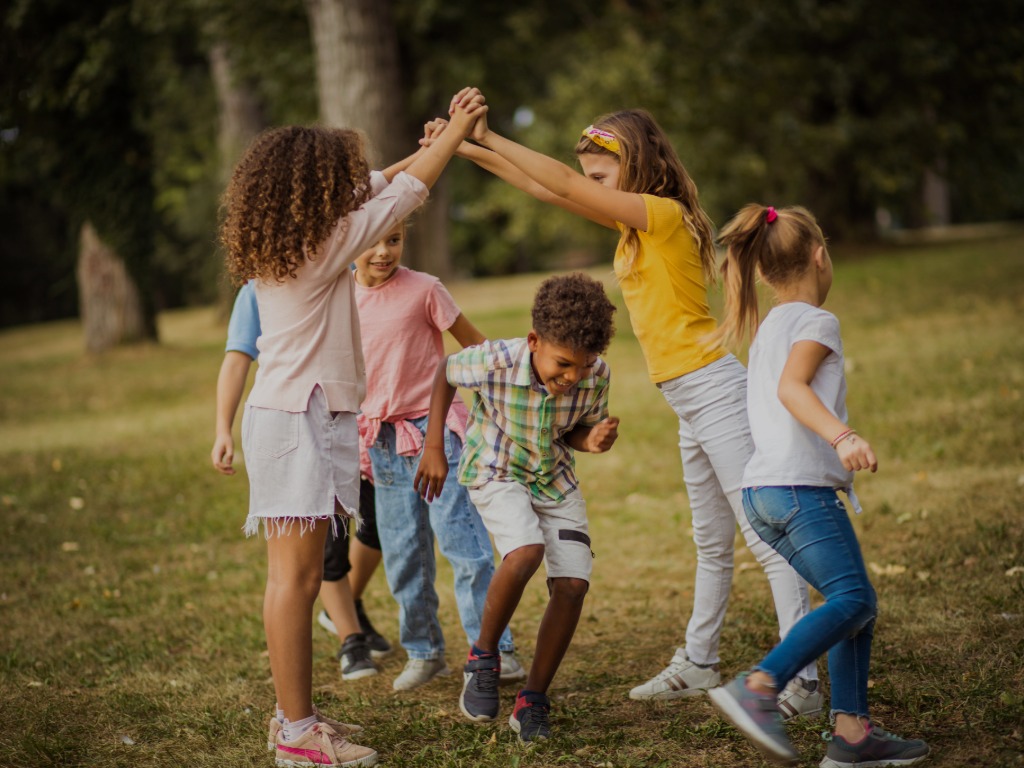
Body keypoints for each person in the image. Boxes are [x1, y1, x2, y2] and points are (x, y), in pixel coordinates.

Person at [444, 105, 820, 714]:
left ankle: (800, 679)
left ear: (635, 165)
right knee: (711, 538)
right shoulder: (636, 226)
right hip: (689, 396)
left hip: (714, 389)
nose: (589, 188)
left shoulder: (663, 216)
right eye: (589, 179)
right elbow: (547, 188)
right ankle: (700, 660)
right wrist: (469, 149)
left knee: (763, 533)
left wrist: (489, 132)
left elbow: (561, 184)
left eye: (600, 177)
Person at [219, 87, 485, 767]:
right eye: (341, 181)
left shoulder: (295, 236)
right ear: (319, 193)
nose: (354, 188)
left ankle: (296, 718)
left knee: (298, 580)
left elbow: (389, 178)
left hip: (298, 415)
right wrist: (457, 129)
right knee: (295, 582)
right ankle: (296, 733)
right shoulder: (330, 241)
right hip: (294, 419)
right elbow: (406, 192)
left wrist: (430, 145)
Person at [706, 204, 930, 767]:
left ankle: (852, 735)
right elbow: (793, 389)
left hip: (764, 497)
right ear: (820, 256)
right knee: (852, 598)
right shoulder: (816, 321)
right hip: (798, 492)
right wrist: (843, 435)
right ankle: (759, 686)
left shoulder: (768, 329)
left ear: (761, 270)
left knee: (856, 603)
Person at [414, 273, 619, 743]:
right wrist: (433, 447)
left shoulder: (596, 375)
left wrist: (593, 439)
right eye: (563, 364)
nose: (571, 378)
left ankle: (533, 699)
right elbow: (447, 370)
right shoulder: (497, 360)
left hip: (554, 478)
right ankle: (483, 657)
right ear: (533, 341)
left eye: (581, 368)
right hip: (497, 468)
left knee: (572, 584)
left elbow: (574, 431)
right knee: (524, 551)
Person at [353, 220, 523, 691]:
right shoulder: (338, 299)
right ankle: (425, 652)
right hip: (381, 439)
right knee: (404, 553)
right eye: (372, 241)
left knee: (463, 546)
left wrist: (517, 386)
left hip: (436, 432)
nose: (384, 252)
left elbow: (477, 346)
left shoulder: (425, 289)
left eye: (394, 239)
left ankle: (496, 650)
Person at [210, 280, 393, 689]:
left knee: (376, 528)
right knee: (312, 561)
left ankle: (349, 607)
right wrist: (223, 427)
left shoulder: (343, 272)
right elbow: (237, 359)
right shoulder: (256, 291)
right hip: (302, 432)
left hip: (357, 427)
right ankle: (350, 637)